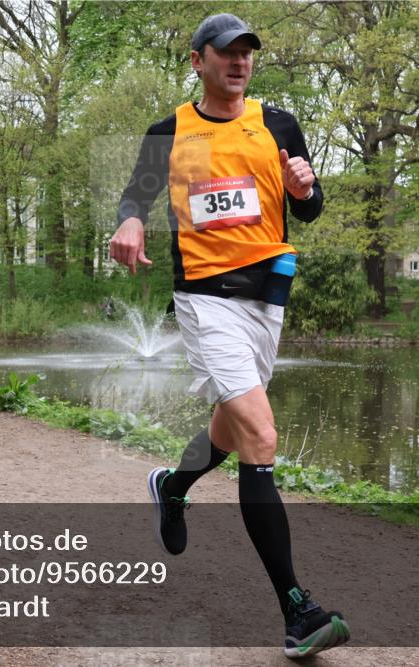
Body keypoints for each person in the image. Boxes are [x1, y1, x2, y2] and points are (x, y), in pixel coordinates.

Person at [110, 13, 350, 657]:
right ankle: (297, 611)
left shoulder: (278, 125)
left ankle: (173, 485)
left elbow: (309, 204)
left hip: (268, 298)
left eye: (247, 52)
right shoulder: (170, 133)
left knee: (231, 423)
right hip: (204, 297)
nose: (239, 62)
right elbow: (136, 196)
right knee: (261, 433)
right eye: (226, 53)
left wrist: (307, 189)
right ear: (198, 62)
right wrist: (130, 222)